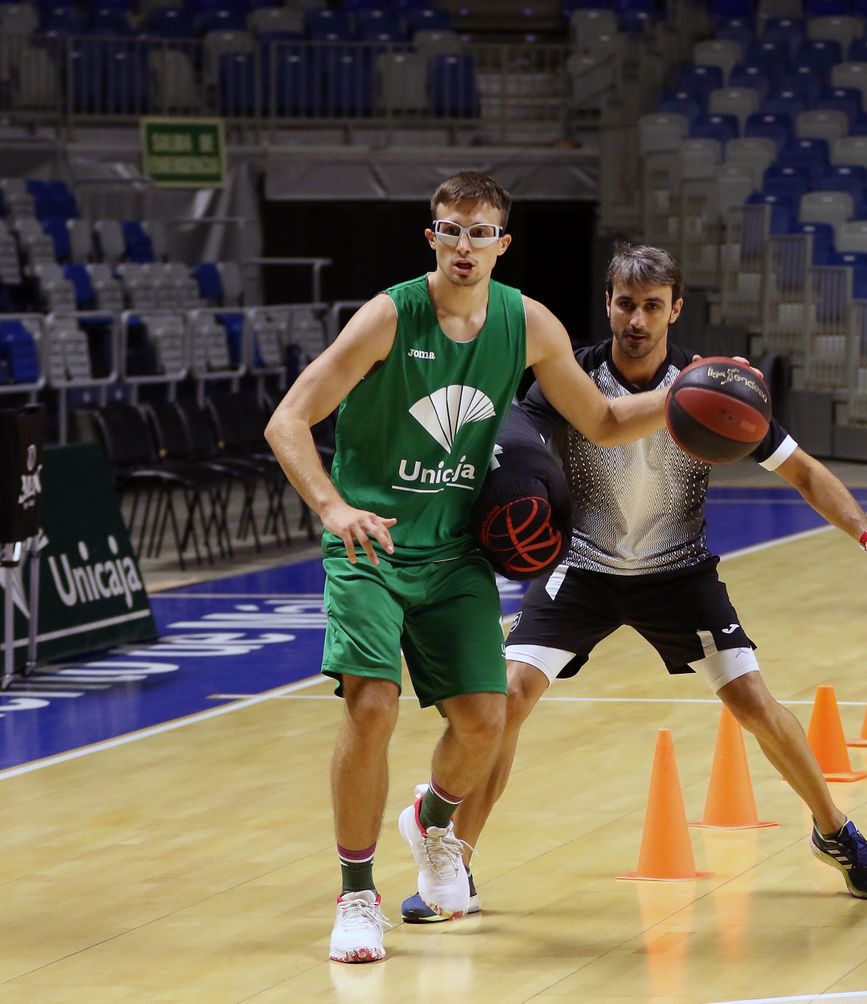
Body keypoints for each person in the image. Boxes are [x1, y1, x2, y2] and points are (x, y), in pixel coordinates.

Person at [399, 243, 867, 922]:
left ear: (676, 308)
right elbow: (513, 433)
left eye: (652, 305)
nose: (637, 318)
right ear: (608, 303)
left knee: (754, 703)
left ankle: (835, 831)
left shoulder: (714, 389)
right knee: (506, 701)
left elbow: (803, 470)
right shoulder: (573, 378)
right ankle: (456, 866)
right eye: (625, 302)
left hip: (677, 573)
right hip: (582, 567)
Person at [266, 173, 667, 964]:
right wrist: (333, 508)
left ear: (502, 244)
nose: (463, 245)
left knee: (486, 720)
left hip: (454, 553)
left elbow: (605, 419)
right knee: (372, 705)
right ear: (432, 238)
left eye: (480, 233)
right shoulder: (389, 315)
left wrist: (686, 400)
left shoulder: (527, 324)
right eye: (450, 230)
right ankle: (356, 895)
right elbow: (289, 420)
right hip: (371, 547)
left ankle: (434, 826)